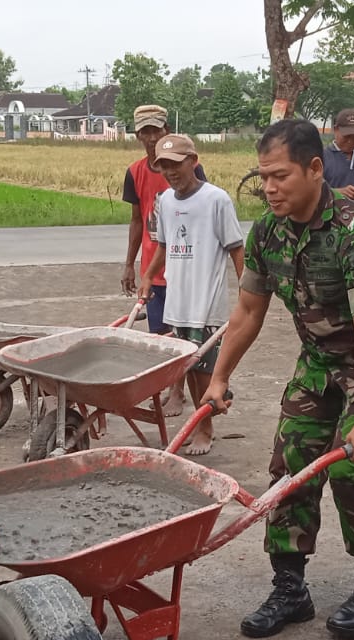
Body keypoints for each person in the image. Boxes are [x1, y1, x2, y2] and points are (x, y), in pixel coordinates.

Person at [201, 119, 354, 640]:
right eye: (263, 177)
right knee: (290, 464)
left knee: (350, 468)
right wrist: (218, 377)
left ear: (315, 169)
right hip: (320, 359)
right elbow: (248, 311)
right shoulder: (267, 232)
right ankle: (290, 589)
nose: (269, 188)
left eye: (280, 176)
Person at [139, 134, 245, 456]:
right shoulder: (165, 202)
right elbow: (164, 245)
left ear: (194, 161)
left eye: (176, 164)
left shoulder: (216, 200)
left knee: (205, 372)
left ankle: (206, 428)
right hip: (178, 301)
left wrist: (246, 291)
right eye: (164, 166)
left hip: (206, 302)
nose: (170, 172)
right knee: (186, 367)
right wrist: (148, 276)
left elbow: (236, 248)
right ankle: (199, 423)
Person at [120, 104, 207, 414]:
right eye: (144, 131)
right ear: (137, 135)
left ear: (166, 130)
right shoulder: (135, 172)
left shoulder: (189, 167)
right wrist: (129, 264)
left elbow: (203, 210)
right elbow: (136, 220)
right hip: (153, 267)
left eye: (155, 130)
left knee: (183, 332)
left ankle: (178, 391)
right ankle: (164, 386)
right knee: (159, 334)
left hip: (185, 264)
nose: (150, 137)